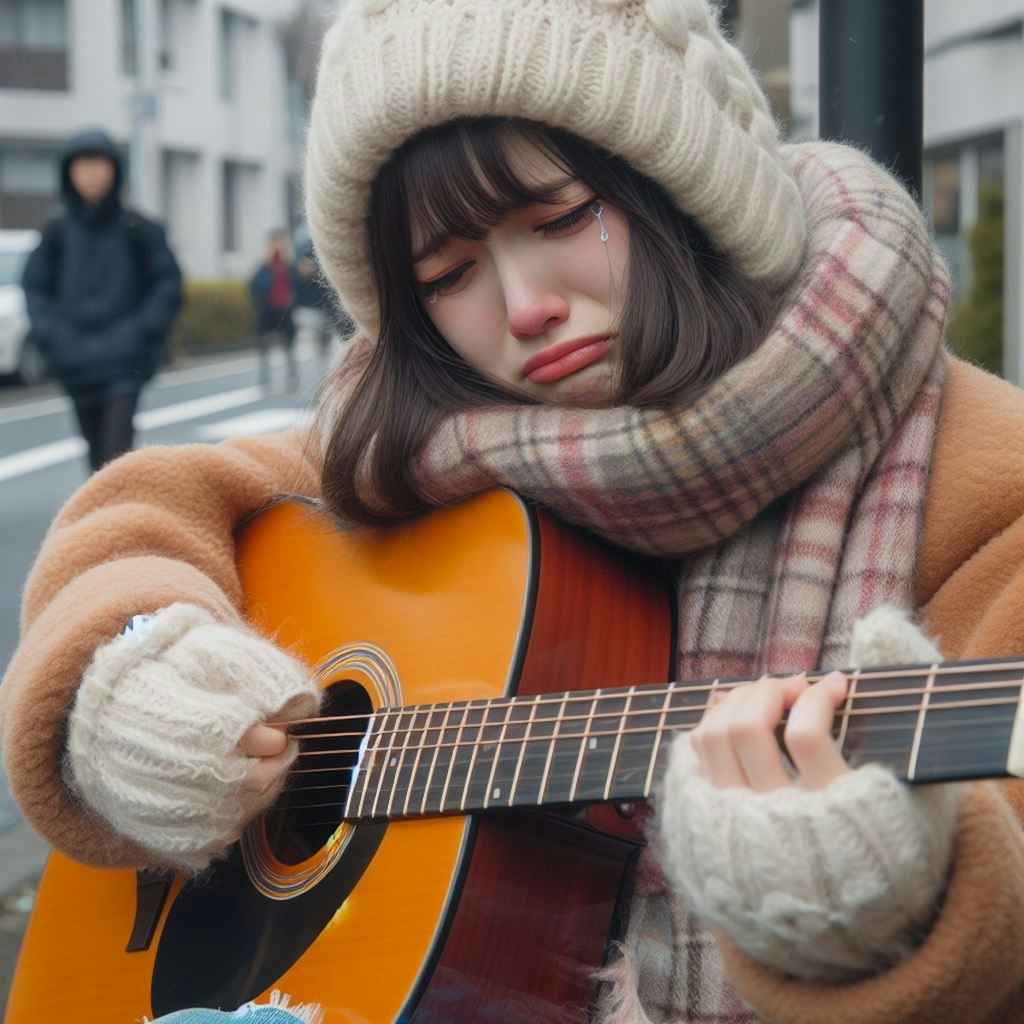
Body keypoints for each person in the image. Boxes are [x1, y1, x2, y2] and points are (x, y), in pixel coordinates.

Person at [2, 1, 1024, 1022]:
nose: (524, 304)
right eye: (448, 273)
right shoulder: (414, 446)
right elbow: (142, 512)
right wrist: (131, 677)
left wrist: (883, 901)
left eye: (561, 218)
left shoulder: (987, 482)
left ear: (676, 187)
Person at [21, 128, 183, 473]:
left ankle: (120, 524)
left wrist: (141, 332)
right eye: (82, 165)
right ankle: (108, 524)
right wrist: (55, 338)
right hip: (76, 362)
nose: (91, 173)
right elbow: (34, 287)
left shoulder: (138, 227)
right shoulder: (56, 232)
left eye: (98, 164)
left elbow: (167, 282)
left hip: (125, 362)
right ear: (69, 173)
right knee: (96, 456)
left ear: (114, 170)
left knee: (116, 454)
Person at [292, 225, 355, 376]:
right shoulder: (316, 268)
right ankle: (323, 376)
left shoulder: (303, 269)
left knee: (323, 348)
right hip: (317, 311)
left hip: (319, 311)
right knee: (319, 348)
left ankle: (324, 376)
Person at [250, 230, 300, 390]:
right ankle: (265, 378)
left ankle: (291, 377)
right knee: (265, 344)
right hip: (267, 311)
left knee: (289, 345)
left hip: (285, 311)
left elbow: (298, 287)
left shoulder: (290, 266)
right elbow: (254, 287)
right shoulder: (264, 267)